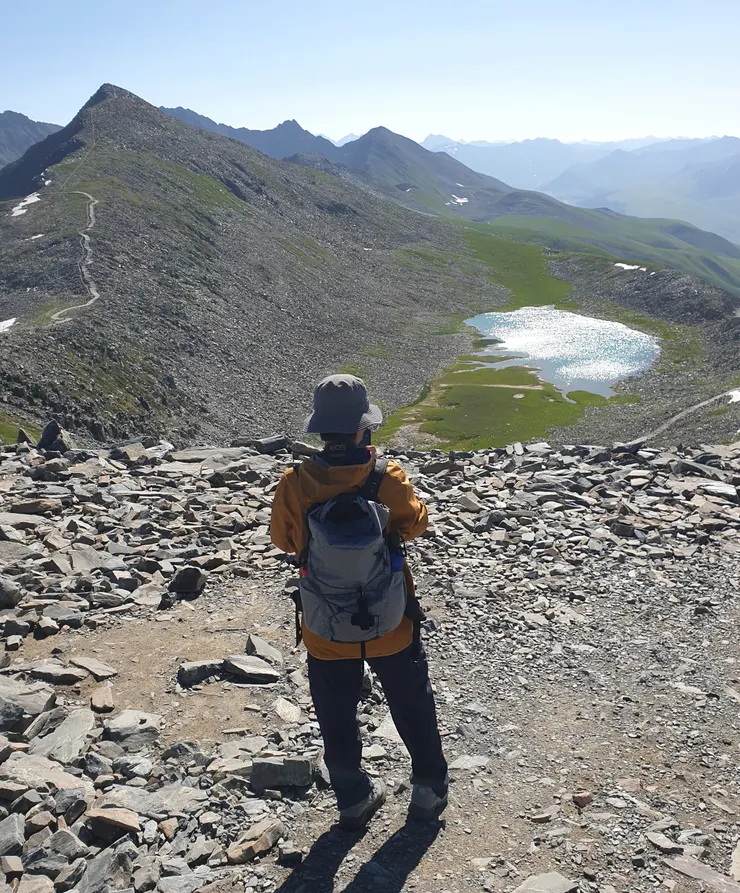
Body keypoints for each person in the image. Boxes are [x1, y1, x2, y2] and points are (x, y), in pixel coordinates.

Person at [270, 374, 448, 829]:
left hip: (325, 625)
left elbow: (285, 542)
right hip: (392, 620)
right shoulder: (386, 478)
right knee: (411, 701)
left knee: (336, 711)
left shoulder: (296, 482)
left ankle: (352, 798)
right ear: (362, 430)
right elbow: (414, 524)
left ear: (321, 431)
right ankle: (428, 790)